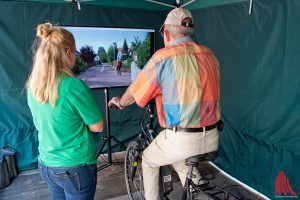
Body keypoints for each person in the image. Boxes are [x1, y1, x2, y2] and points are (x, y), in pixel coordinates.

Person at [108, 7, 220, 200]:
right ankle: (201, 193)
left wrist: (120, 101)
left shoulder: (164, 56)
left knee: (150, 160)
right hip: (212, 136)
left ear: (167, 32)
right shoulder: (210, 54)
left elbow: (135, 91)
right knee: (178, 161)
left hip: (183, 139)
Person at [26, 23, 103, 200]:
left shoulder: (34, 86)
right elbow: (97, 126)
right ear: (68, 53)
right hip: (74, 167)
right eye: (75, 52)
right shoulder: (73, 86)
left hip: (46, 164)